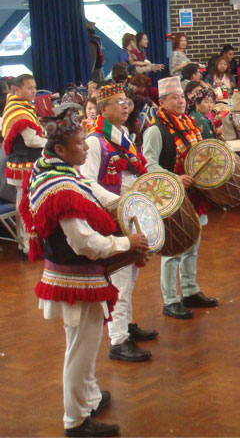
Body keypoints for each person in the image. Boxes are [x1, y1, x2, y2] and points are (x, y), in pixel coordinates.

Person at [21, 105, 149, 437]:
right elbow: (84, 243)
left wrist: (126, 201)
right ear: (61, 148)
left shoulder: (54, 168)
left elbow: (93, 191)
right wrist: (125, 243)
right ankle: (75, 420)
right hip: (75, 277)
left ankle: (88, 397)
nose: (87, 146)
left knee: (83, 344)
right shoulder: (61, 186)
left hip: (73, 275)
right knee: (80, 348)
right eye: (80, 143)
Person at [81, 83, 155, 363]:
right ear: (103, 109)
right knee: (121, 279)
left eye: (127, 102)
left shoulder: (123, 135)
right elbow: (87, 182)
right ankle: (118, 339)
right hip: (115, 216)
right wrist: (116, 203)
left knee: (132, 272)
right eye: (118, 102)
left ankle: (126, 324)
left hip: (131, 211)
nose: (126, 107)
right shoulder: (94, 141)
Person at [141, 77, 218, 319]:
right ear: (162, 102)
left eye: (182, 97)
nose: (181, 101)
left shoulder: (189, 123)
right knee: (173, 249)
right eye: (175, 98)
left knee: (193, 245)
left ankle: (189, 290)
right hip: (169, 196)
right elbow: (148, 164)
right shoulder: (156, 130)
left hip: (193, 194)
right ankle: (170, 299)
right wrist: (175, 177)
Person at [2, 73, 44, 255]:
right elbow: (31, 141)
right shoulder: (19, 111)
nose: (33, 91)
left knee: (23, 205)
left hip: (19, 164)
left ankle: (23, 244)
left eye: (34, 87)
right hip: (24, 165)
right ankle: (28, 246)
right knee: (27, 206)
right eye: (29, 88)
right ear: (16, 90)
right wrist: (51, 142)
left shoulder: (15, 106)